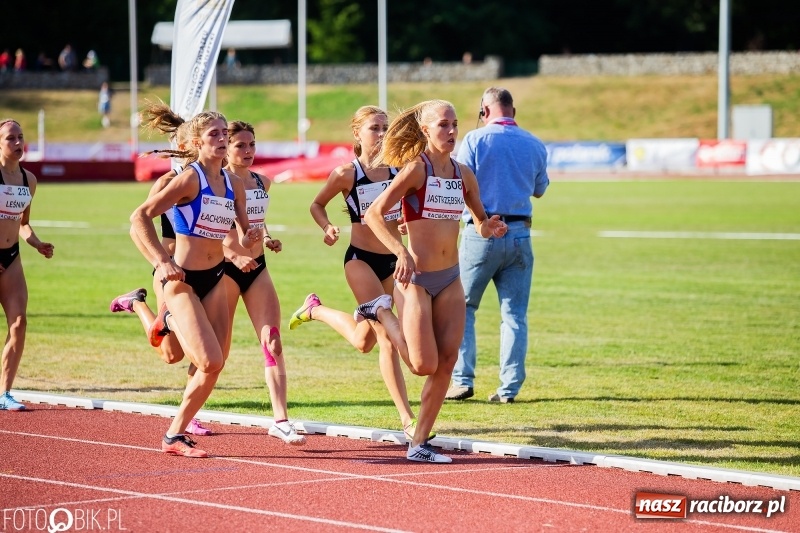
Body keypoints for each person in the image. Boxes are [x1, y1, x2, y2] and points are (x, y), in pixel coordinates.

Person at [362, 100, 507, 463]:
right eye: (443, 125)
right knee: (422, 365)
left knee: (447, 362)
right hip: (417, 280)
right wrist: (401, 252)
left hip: (451, 279)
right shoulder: (416, 170)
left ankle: (418, 444)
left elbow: (479, 222)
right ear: (426, 130)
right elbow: (374, 214)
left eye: (455, 124)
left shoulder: (464, 175)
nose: (452, 131)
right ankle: (382, 312)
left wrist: (491, 227)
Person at [130, 103, 259, 457]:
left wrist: (255, 241)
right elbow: (138, 218)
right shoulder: (188, 178)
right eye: (214, 135)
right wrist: (161, 262)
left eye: (224, 133)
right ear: (197, 144)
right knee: (207, 360)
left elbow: (245, 234)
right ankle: (167, 316)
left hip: (216, 277)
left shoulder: (234, 183)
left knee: (215, 364)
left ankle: (175, 434)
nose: (222, 139)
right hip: (182, 280)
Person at [289, 105, 422, 440]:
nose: (381, 134)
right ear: (357, 133)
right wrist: (328, 226)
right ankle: (408, 418)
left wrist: (404, 220)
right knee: (387, 338)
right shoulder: (347, 173)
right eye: (375, 128)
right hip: (360, 260)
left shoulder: (399, 168)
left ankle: (314, 310)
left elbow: (406, 205)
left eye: (385, 128)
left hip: (393, 261)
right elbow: (316, 204)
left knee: (363, 342)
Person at [445, 87, 550, 404]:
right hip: (520, 232)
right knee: (514, 315)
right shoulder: (534, 143)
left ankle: (462, 380)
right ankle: (509, 388)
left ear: (484, 111)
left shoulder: (475, 140)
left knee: (463, 308)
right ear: (513, 111)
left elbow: (459, 183)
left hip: (482, 231)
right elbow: (539, 190)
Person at [110, 121, 212, 437]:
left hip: (206, 273)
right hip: (171, 273)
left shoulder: (212, 179)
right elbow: (135, 227)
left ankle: (190, 413)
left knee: (202, 342)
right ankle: (136, 303)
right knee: (172, 354)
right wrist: (161, 263)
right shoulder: (170, 181)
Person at [220, 121, 306, 445]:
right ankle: (190, 415)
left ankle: (281, 419)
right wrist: (235, 254)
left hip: (258, 268)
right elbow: (210, 229)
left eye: (251, 144)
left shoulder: (261, 181)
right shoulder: (219, 182)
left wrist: (267, 238)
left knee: (273, 340)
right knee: (216, 352)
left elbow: (256, 216)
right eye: (240, 145)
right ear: (226, 148)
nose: (247, 151)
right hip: (225, 269)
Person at [0, 119, 55, 410]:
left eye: (21, 137)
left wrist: (37, 243)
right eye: (11, 138)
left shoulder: (28, 180)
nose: (18, 143)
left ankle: (4, 393)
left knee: (19, 323)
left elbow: (24, 223)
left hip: (11, 259)